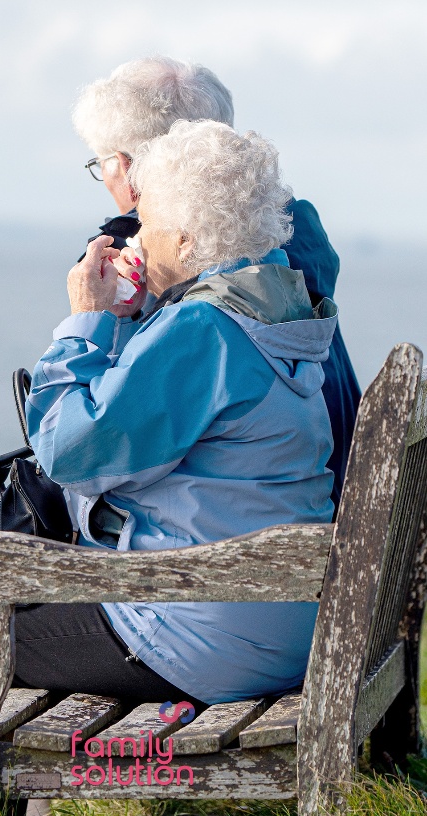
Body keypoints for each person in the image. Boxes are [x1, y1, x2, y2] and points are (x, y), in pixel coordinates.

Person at [0, 56, 356, 737]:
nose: (129, 215)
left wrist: (88, 322)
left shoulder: (204, 325)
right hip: (281, 578)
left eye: (146, 209)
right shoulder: (282, 285)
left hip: (210, 611)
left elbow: (79, 455)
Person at [73, 57, 360, 507]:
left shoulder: (146, 258)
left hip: (223, 540)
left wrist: (91, 320)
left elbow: (86, 447)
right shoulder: (283, 252)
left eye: (101, 162)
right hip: (332, 503)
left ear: (129, 168)